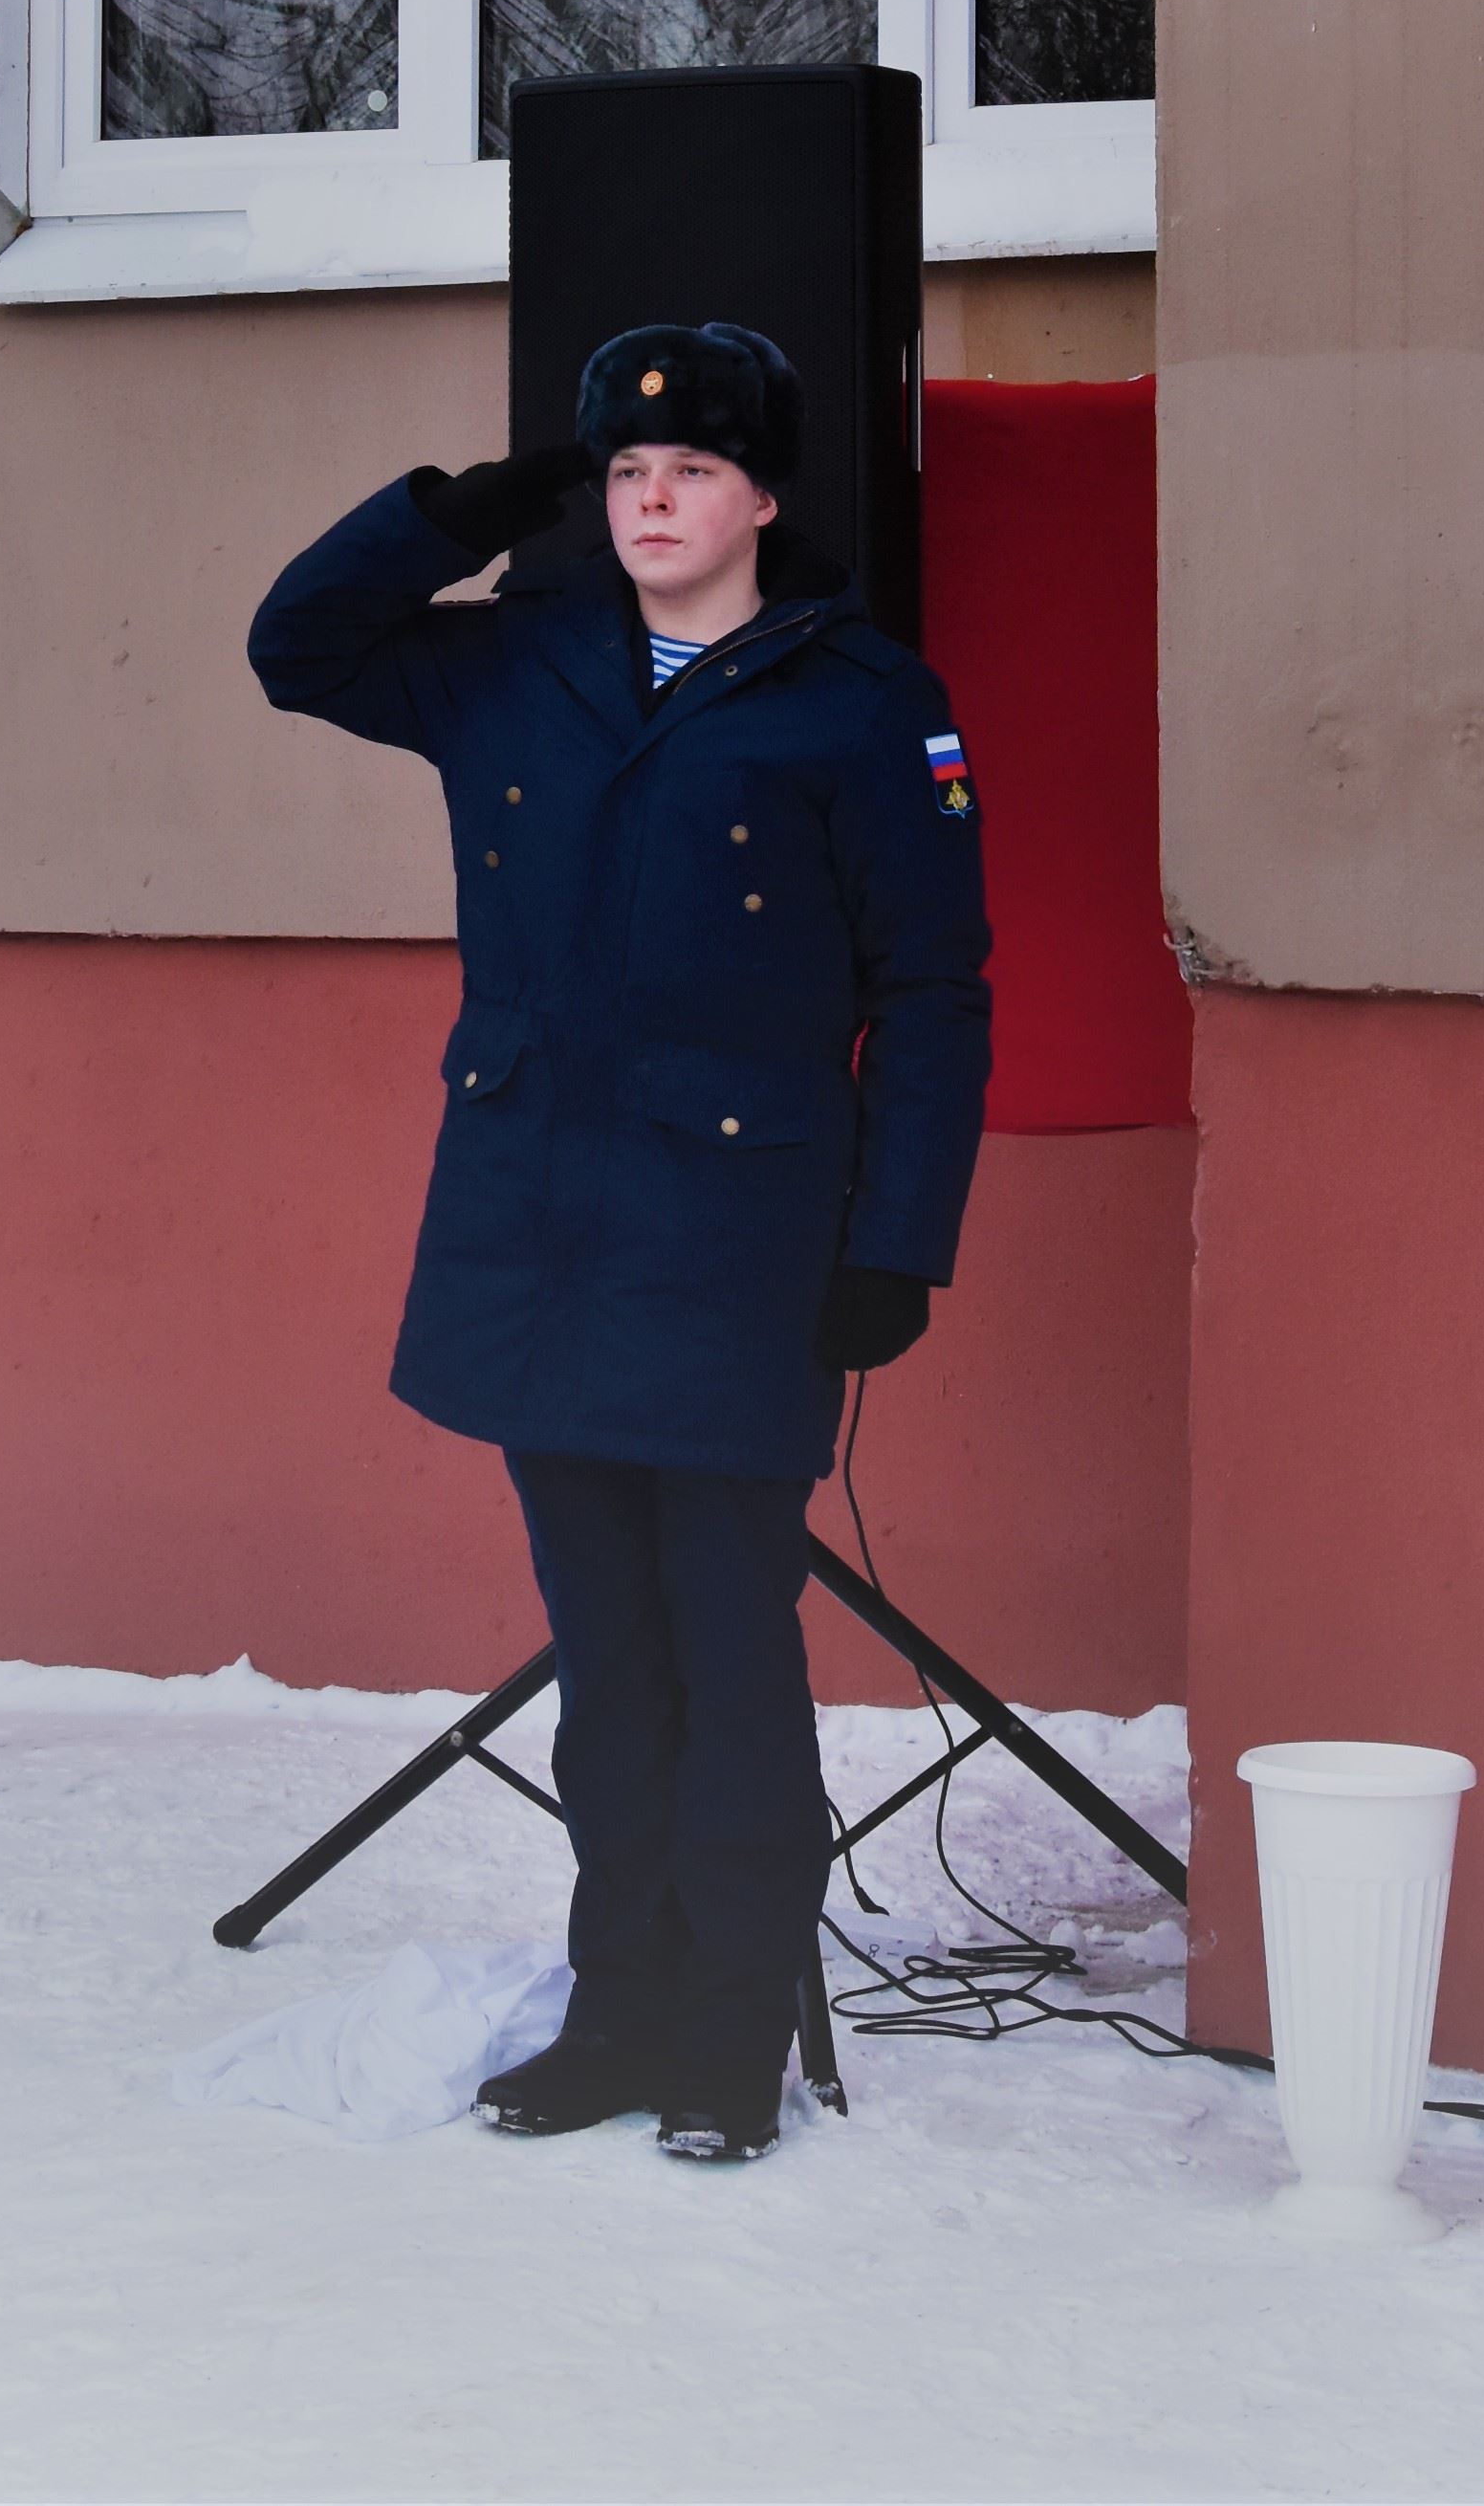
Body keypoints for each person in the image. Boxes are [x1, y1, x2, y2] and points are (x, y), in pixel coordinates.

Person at [248, 319, 991, 2165]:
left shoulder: (861, 697)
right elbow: (297, 647)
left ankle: (730, 2028)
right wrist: (455, 513)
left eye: (694, 472)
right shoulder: (515, 665)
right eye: (625, 474)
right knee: (606, 1658)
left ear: (761, 496)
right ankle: (619, 2010)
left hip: (741, 1247)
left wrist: (896, 1242)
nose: (655, 500)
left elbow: (937, 989)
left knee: (727, 1649)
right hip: (542, 1230)